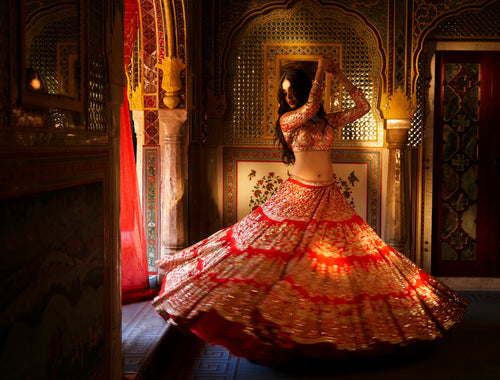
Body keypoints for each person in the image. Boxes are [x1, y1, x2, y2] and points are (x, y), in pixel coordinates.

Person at [152, 56, 468, 366]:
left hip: (329, 196)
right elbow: (309, 108)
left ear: (301, 90)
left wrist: (338, 75)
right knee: (271, 258)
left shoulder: (326, 120)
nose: (288, 96)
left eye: (292, 90)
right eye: (284, 92)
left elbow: (363, 108)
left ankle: (325, 334)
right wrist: (319, 73)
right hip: (298, 196)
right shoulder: (289, 120)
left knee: (338, 268)